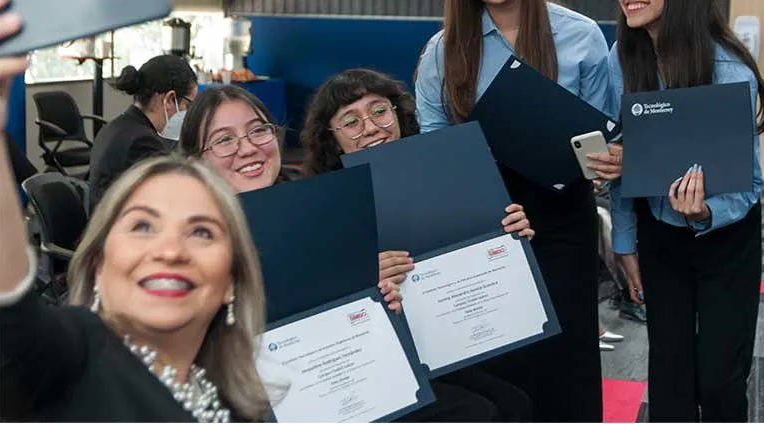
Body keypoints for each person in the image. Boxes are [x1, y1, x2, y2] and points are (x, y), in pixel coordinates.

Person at [0, 0, 271, 421]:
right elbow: (10, 324)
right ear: (101, 266)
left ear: (231, 280)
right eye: (143, 226)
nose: (170, 250)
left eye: (202, 231)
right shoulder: (74, 367)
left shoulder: (239, 405)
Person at [179, 83, 519, 422]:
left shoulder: (316, 208)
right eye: (224, 140)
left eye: (258, 131)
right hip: (273, 402)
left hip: (357, 374)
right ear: (197, 161)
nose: (248, 148)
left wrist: (378, 294)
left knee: (500, 404)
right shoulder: (189, 245)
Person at [415, 0, 610, 422]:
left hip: (565, 218)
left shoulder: (582, 35)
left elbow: (603, 138)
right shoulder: (443, 50)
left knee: (568, 363)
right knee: (501, 364)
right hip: (485, 224)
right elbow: (434, 144)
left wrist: (605, 162)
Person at [606, 0, 764, 422]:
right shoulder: (624, 59)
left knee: (720, 379)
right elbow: (624, 167)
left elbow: (748, 184)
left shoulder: (726, 69)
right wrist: (624, 242)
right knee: (670, 373)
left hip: (726, 236)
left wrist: (705, 210)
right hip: (659, 232)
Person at [300, 68, 534, 422]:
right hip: (370, 359)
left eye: (379, 111)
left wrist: (510, 234)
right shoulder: (323, 204)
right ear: (333, 139)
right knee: (479, 413)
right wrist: (363, 276)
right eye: (351, 121)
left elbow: (478, 244)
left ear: (398, 112)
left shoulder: (441, 170)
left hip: (444, 338)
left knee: (516, 403)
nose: (370, 127)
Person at [88, 54, 198, 208]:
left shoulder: (117, 127)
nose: (188, 113)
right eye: (188, 105)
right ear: (170, 99)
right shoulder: (142, 143)